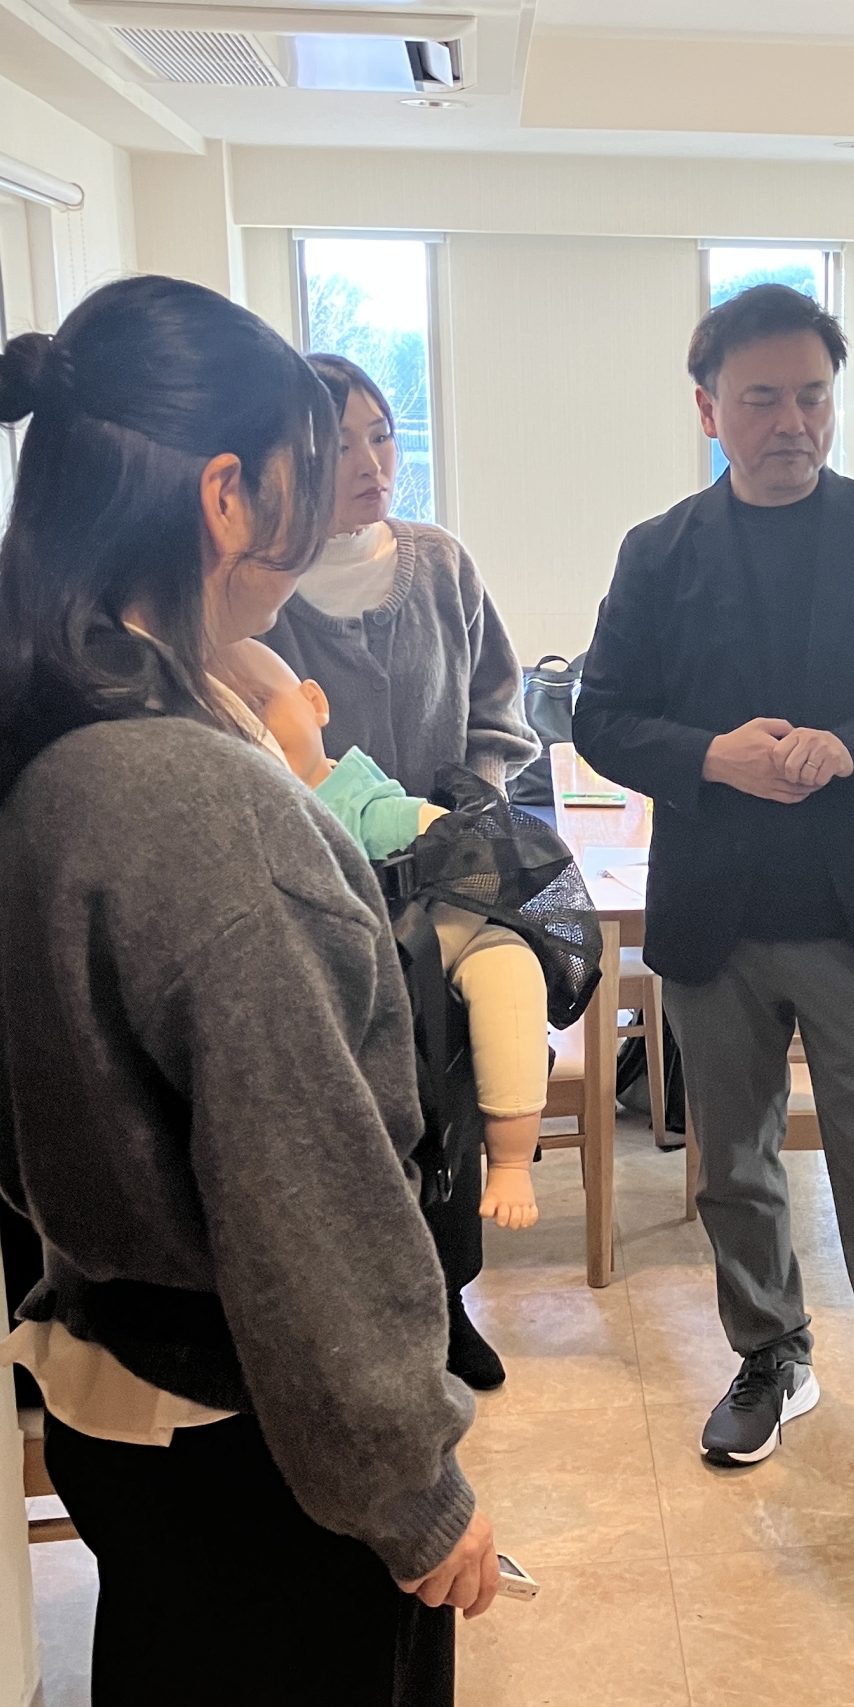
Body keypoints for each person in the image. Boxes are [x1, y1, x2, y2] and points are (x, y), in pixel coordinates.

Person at [0, 278, 498, 1707]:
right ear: (224, 497)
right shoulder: (186, 798)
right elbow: (304, 1182)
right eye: (301, 474)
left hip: (138, 1410)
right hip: (271, 1445)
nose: (327, 508)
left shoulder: (44, 732)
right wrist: (415, 1486)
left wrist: (268, 710)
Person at [572, 283, 854, 1569]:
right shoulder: (660, 551)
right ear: (708, 409)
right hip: (715, 912)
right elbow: (601, 716)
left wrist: (853, 748)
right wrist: (713, 756)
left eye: (812, 395)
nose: (791, 422)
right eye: (760, 398)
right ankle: (773, 1353)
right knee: (733, 1165)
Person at [266, 354, 537, 1389]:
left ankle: (448, 1304)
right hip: (317, 894)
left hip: (442, 884)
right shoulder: (262, 592)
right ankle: (365, 1321)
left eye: (380, 436)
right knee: (348, 1115)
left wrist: (467, 813)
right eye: (337, 444)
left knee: (447, 1103)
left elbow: (499, 713)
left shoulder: (441, 565)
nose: (369, 462)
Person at [220, 635, 548, 1233]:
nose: (253, 732)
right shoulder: (240, 820)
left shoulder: (361, 803)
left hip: (436, 947)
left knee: (510, 972)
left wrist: (454, 843)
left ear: (315, 703)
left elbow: (466, 847)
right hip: (340, 988)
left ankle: (510, 1160)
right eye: (228, 723)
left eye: (259, 706)